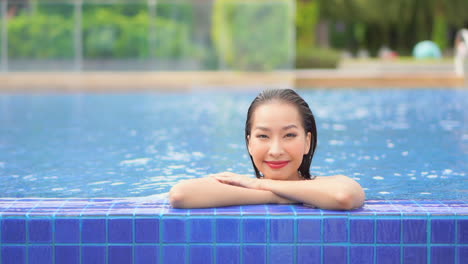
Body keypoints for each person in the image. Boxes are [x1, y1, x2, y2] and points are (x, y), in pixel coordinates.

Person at [169, 89, 365, 210]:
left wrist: (261, 185)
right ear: (249, 144)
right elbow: (180, 194)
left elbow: (344, 196)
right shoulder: (242, 184)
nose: (276, 150)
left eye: (289, 135)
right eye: (263, 136)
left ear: (307, 141)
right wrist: (275, 195)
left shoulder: (326, 184)